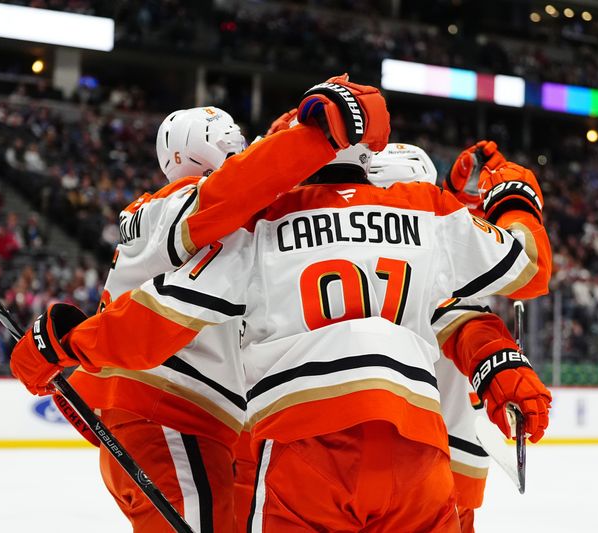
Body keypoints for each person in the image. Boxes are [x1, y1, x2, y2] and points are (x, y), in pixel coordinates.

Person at [11, 81, 549, 530]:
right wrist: (513, 201)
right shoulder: (426, 212)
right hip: (420, 450)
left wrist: (74, 343)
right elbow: (522, 271)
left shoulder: (258, 222)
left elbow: (167, 312)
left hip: (297, 443)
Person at [50, 77, 389, 532]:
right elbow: (239, 188)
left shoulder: (156, 214)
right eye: (224, 136)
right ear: (188, 152)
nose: (236, 142)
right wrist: (318, 136)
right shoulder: (185, 206)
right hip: (170, 415)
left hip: (159, 416)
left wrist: (285, 132)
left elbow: (249, 183)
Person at [370, 142, 547, 533]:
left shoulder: (325, 244)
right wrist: (511, 199)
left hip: (338, 460)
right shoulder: (437, 247)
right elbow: (517, 275)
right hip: (438, 467)